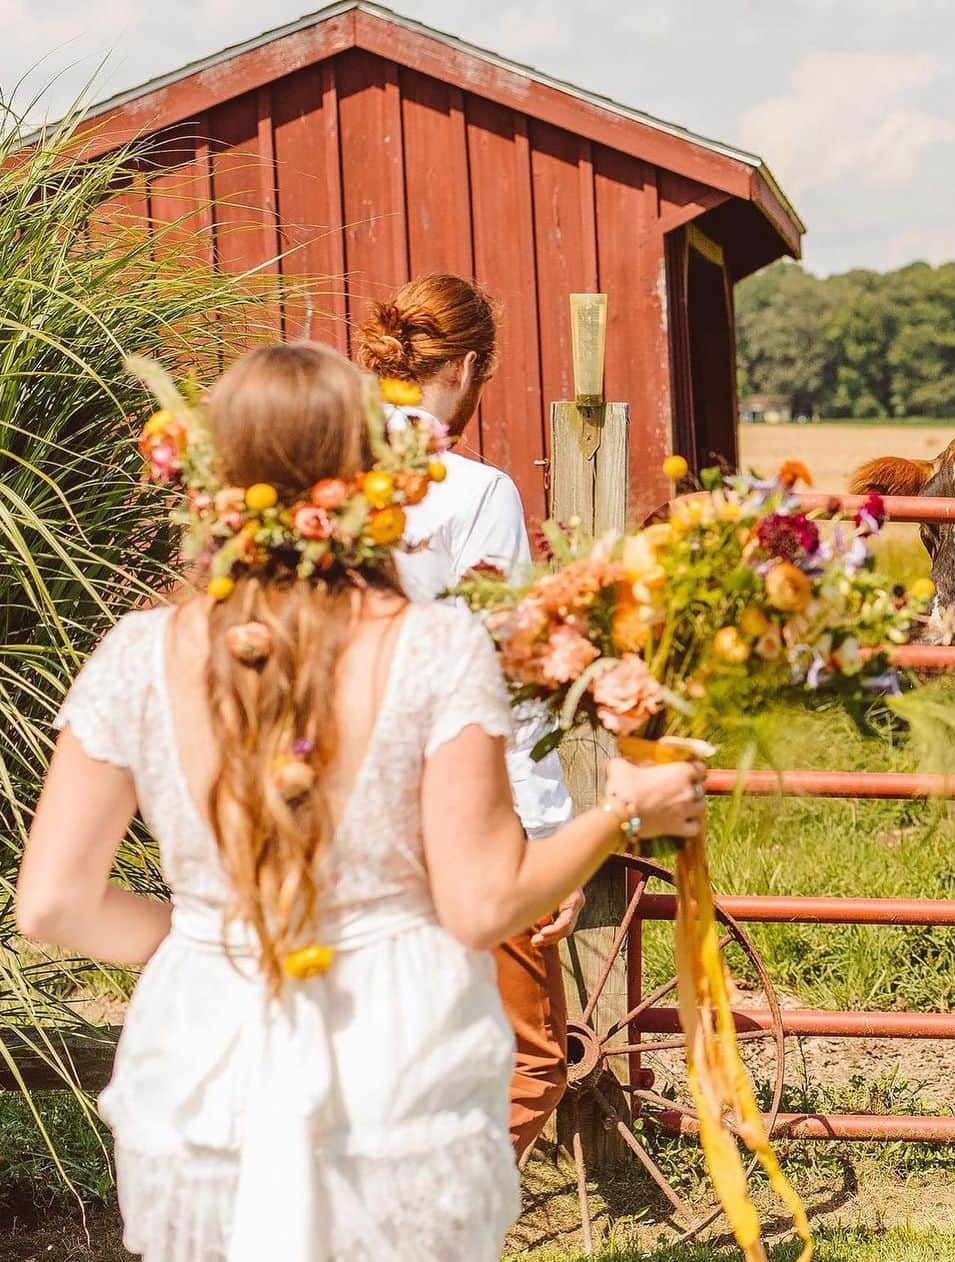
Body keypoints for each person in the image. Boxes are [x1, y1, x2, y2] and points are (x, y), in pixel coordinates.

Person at [17, 341, 706, 1262]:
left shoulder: (137, 658)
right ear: (371, 477)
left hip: (208, 1046)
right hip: (395, 1042)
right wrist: (621, 810)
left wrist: (204, 945)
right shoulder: (434, 648)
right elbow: (481, 905)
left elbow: (53, 904)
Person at [357, 275, 581, 1160]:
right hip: (456, 806)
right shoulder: (473, 488)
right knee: (530, 1062)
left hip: (335, 802)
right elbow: (506, 669)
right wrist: (548, 838)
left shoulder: (313, 474)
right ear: (470, 365)